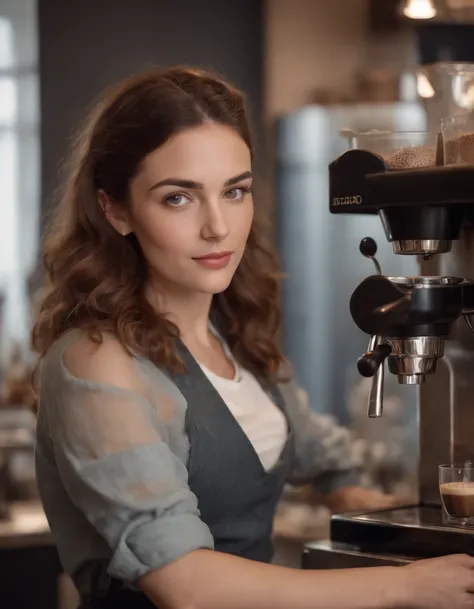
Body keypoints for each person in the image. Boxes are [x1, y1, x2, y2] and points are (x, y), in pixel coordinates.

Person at [32, 66, 474, 609]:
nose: (218, 226)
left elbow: (324, 463)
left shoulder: (234, 333)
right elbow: (185, 584)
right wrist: (404, 586)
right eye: (179, 198)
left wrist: (419, 520)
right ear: (115, 209)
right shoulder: (97, 364)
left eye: (235, 191)